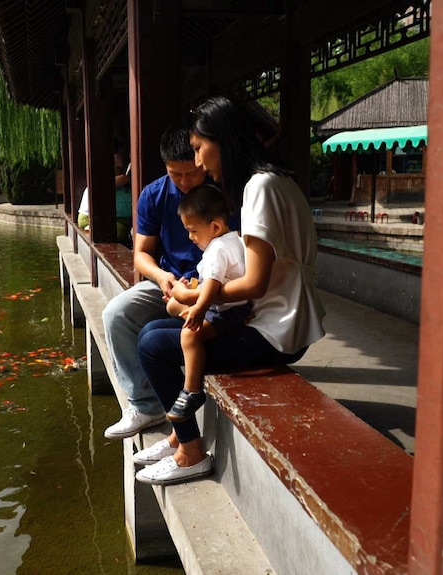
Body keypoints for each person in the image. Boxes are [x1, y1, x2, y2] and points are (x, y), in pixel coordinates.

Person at [132, 96, 327, 485]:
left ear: (224, 141)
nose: (199, 162)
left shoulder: (260, 188)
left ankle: (190, 452)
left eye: (200, 149)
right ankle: (177, 436)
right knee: (154, 333)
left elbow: (254, 283)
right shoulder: (273, 181)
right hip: (272, 317)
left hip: (275, 330)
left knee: (153, 346)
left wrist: (196, 296)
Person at [102, 126, 216, 440]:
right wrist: (162, 277)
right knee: (116, 315)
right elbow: (141, 254)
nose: (185, 181)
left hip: (216, 285)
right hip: (169, 281)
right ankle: (145, 404)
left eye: (191, 174)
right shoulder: (154, 194)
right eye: (175, 174)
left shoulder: (220, 191)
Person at [163, 184, 250, 422]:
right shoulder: (235, 241)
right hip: (237, 307)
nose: (190, 238)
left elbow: (212, 284)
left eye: (193, 231)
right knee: (172, 306)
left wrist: (199, 309)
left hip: (226, 312)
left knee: (188, 335)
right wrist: (191, 288)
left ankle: (192, 390)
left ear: (214, 227)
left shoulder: (217, 249)